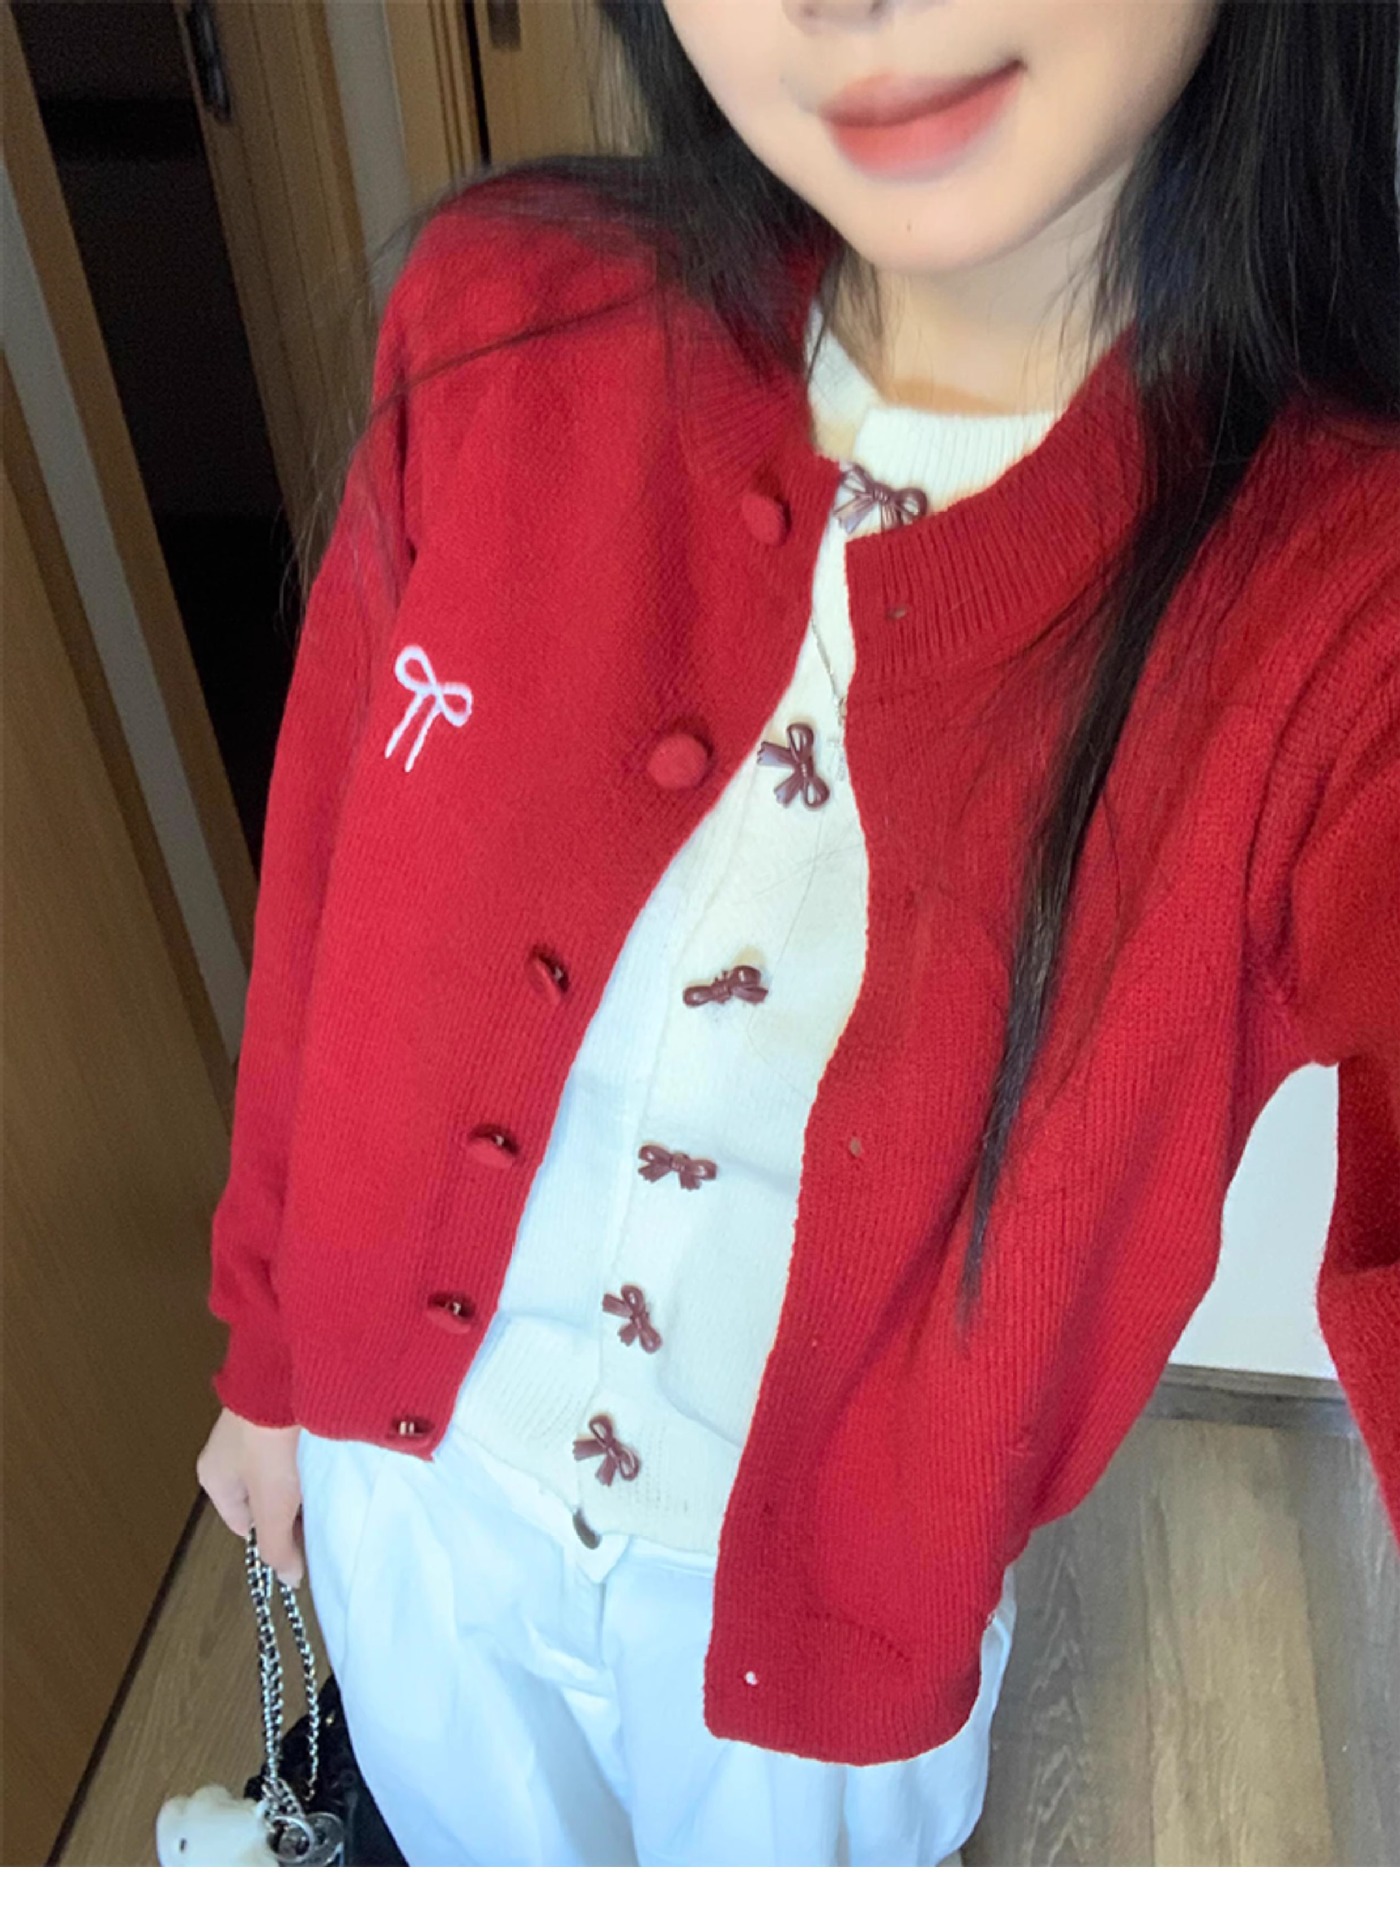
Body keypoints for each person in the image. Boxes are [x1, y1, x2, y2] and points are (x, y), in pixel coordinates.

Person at [196, 0, 1400, 1868]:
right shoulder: (499, 314)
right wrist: (270, 1365)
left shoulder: (1342, 600)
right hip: (402, 1508)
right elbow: (324, 898)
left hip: (819, 1646)